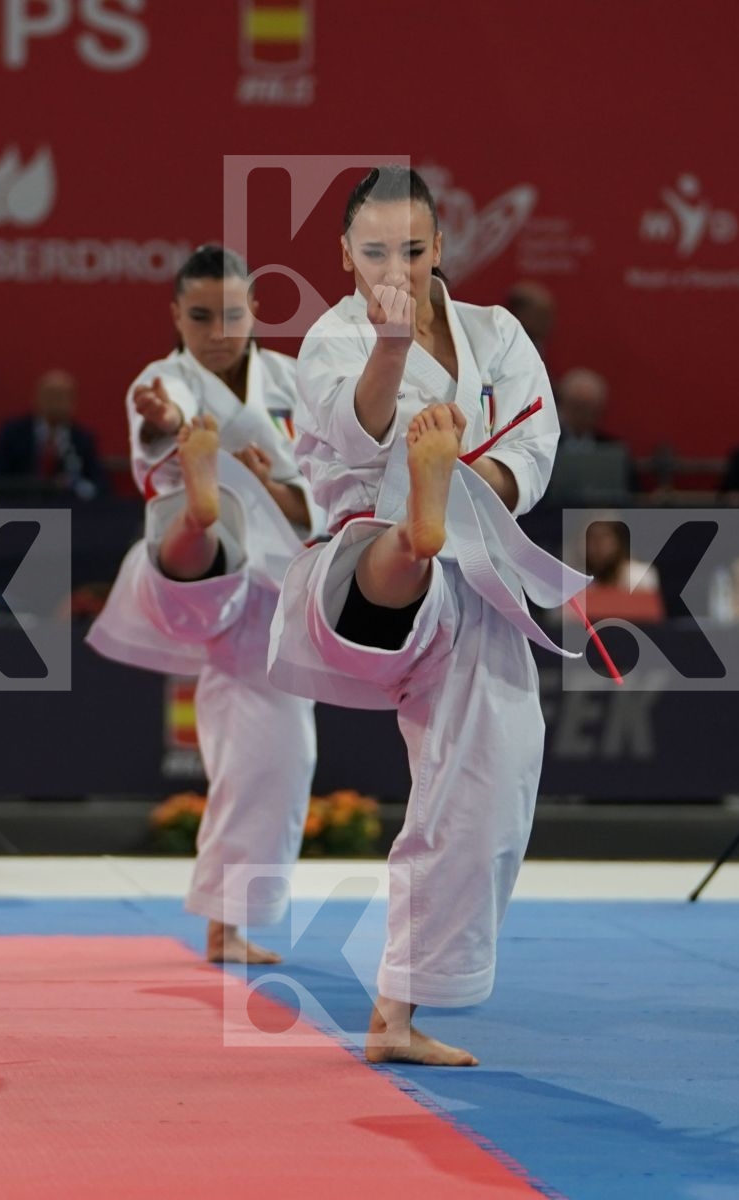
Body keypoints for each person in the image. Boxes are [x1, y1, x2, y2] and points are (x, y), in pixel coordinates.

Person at [268, 166, 587, 1067]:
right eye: (375, 253)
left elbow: (536, 439)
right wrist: (391, 347)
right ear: (344, 256)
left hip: (477, 577)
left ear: (442, 247)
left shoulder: (499, 333)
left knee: (489, 784)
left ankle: (396, 1013)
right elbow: (350, 428)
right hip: (361, 575)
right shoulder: (334, 337)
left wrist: (471, 484)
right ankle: (418, 523)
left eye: (412, 250)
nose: (395, 270)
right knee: (398, 533)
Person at [86, 245, 319, 963]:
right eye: (200, 316)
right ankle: (205, 506)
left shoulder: (292, 380)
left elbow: (322, 490)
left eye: (233, 314)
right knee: (260, 751)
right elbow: (162, 425)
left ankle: (228, 922)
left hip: (279, 582)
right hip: (199, 576)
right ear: (175, 317)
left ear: (255, 313)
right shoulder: (165, 381)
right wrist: (163, 427)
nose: (219, 330)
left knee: (273, 757)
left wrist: (270, 482)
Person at [0, 370, 109, 499]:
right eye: (50, 396)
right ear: (36, 398)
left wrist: (75, 486)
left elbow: (101, 486)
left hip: (69, 511)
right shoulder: (13, 433)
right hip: (20, 508)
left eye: (62, 397)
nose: (56, 403)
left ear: (73, 402)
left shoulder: (82, 439)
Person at [580, 518, 662, 624]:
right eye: (591, 538)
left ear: (618, 542)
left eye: (604, 537)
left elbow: (650, 621)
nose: (597, 545)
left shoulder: (641, 575)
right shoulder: (577, 581)